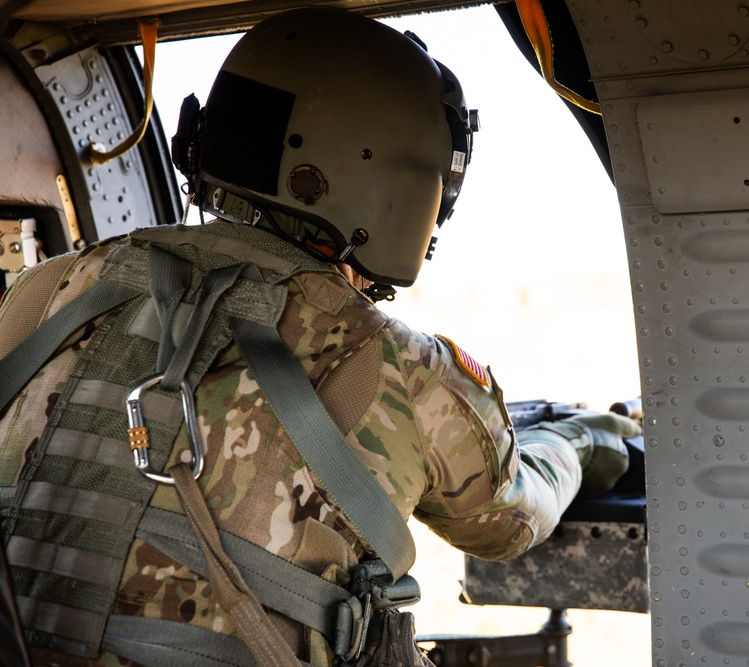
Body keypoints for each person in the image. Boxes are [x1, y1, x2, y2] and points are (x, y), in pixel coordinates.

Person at [0, 8, 639, 666]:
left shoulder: (49, 290)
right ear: (400, 182)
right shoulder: (402, 367)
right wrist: (584, 438)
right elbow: (509, 521)